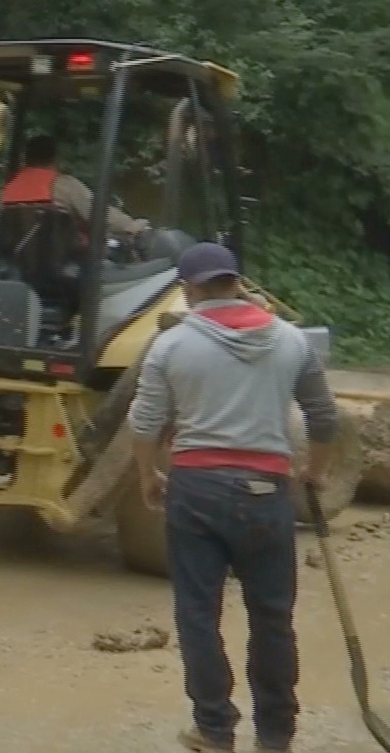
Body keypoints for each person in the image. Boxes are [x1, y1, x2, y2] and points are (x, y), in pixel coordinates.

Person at [127, 242, 339, 753]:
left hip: (196, 491)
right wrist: (314, 473)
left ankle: (215, 729)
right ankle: (275, 735)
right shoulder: (290, 342)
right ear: (236, 282)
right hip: (267, 493)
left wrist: (148, 476)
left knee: (198, 613)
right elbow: (323, 417)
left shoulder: (171, 347)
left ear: (190, 289)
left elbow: (144, 422)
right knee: (272, 616)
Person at [1, 134, 150, 239]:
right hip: (62, 263)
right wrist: (130, 226)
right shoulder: (65, 185)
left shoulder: (8, 187)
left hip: (15, 262)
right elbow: (97, 213)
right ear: (54, 157)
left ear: (26, 157)